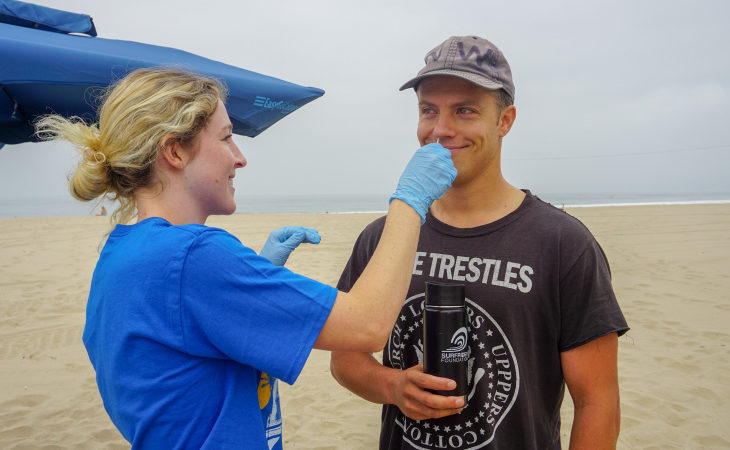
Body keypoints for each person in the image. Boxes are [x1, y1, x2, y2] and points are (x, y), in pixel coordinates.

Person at [34, 68, 456, 449]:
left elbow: (179, 353)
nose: (239, 156)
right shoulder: (194, 256)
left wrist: (261, 276)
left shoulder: (122, 253)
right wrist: (410, 200)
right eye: (225, 137)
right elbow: (367, 325)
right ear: (175, 152)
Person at [330, 36, 629, 449]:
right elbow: (345, 358)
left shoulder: (562, 243)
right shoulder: (385, 237)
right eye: (428, 110)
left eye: (465, 110)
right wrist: (392, 385)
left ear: (504, 121)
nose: (441, 130)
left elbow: (598, 402)